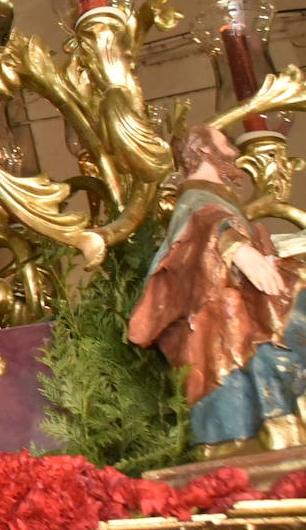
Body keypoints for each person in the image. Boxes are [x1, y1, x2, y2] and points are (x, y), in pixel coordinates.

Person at [128, 124, 306, 454]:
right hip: (214, 315)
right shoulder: (196, 199)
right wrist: (236, 248)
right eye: (226, 145)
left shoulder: (214, 198)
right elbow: (200, 228)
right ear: (205, 151)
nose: (235, 153)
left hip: (238, 303)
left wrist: (262, 250)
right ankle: (261, 429)